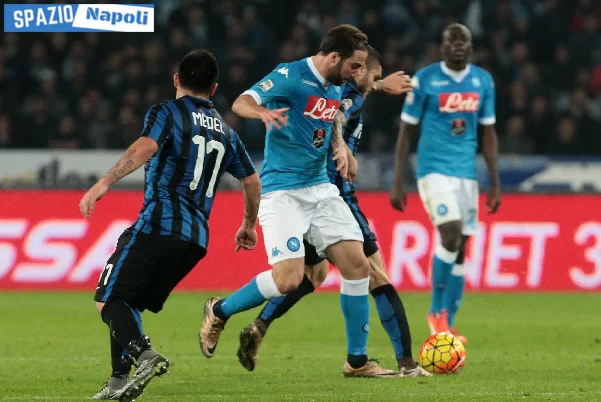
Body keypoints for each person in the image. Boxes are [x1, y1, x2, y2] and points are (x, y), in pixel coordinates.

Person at [199, 25, 397, 378]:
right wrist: (262, 113)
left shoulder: (336, 82)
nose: (358, 74)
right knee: (289, 279)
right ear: (334, 57)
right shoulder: (290, 76)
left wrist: (340, 146)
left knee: (357, 267)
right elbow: (242, 101)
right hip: (283, 192)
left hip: (320, 188)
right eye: (354, 66)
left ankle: (357, 361)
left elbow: (330, 117)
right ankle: (220, 310)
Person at [238, 45, 431, 377]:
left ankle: (259, 325)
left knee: (313, 274)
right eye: (370, 73)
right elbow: (339, 112)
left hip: (314, 192)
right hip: (331, 193)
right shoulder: (342, 97)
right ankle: (404, 364)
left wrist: (379, 85)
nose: (370, 79)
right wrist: (343, 142)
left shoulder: (344, 93)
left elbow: (351, 99)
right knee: (375, 274)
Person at [81, 49, 260, 401]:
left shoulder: (167, 112)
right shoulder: (227, 132)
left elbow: (146, 146)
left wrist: (105, 182)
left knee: (109, 300)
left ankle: (146, 355)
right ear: (214, 87)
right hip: (195, 240)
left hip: (158, 224)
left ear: (177, 79)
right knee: (128, 303)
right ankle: (118, 380)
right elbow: (252, 182)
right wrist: (248, 225)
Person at [390, 24, 501, 344]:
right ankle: (436, 312)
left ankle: (448, 324)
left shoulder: (483, 81)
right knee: (450, 232)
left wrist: (494, 182)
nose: (458, 45)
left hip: (466, 173)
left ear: (470, 46)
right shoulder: (424, 79)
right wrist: (398, 180)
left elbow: (489, 132)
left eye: (463, 40)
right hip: (433, 170)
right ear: (442, 46)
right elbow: (406, 130)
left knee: (461, 248)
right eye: (452, 40)